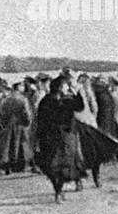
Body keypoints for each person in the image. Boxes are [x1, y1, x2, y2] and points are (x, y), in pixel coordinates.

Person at [35, 75, 85, 203]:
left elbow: (79, 107)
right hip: (58, 137)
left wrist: (75, 93)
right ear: (59, 87)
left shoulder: (50, 101)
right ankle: (58, 190)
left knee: (58, 165)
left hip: (57, 137)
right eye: (65, 86)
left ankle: (58, 190)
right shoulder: (57, 101)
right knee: (59, 166)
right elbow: (41, 121)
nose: (67, 88)